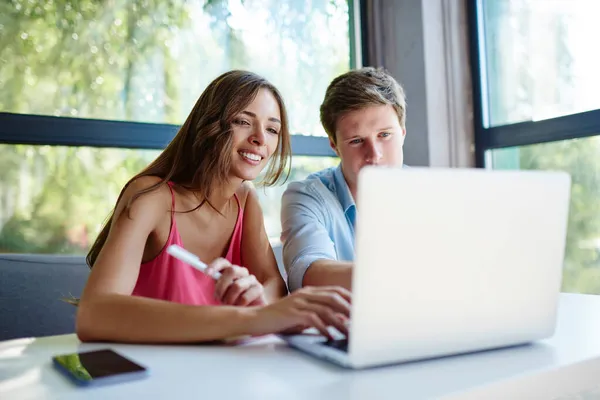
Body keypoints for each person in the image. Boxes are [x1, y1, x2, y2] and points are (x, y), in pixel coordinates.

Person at [76, 70, 350, 344]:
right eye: (243, 121)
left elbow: (274, 288)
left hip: (215, 371)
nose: (260, 139)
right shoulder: (151, 198)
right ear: (210, 124)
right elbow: (94, 315)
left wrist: (255, 299)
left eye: (272, 129)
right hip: (144, 374)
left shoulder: (245, 200)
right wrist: (252, 318)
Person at [281, 67, 407, 292]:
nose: (374, 155)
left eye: (384, 135)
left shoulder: (432, 193)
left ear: (403, 133)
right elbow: (308, 272)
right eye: (357, 141)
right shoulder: (306, 196)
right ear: (334, 145)